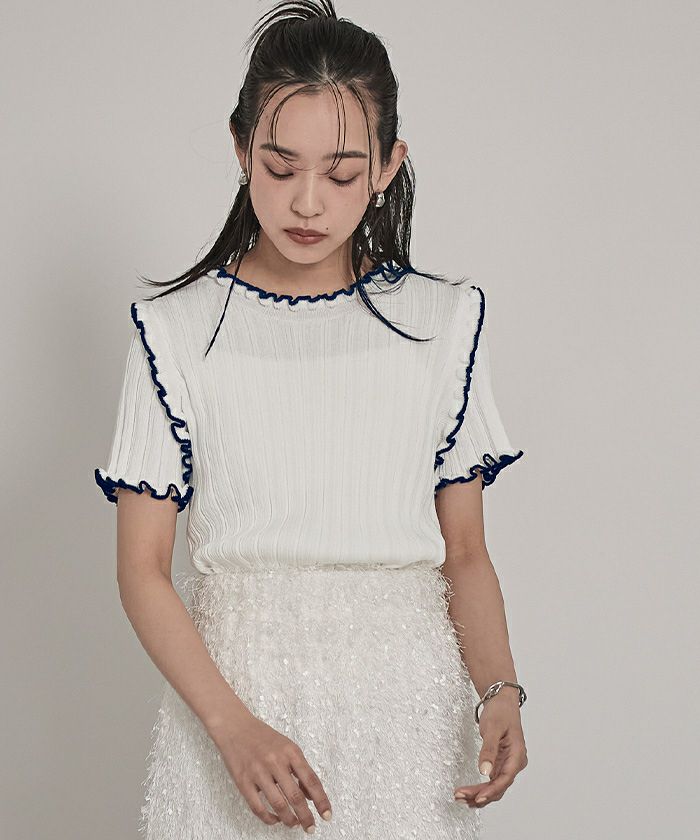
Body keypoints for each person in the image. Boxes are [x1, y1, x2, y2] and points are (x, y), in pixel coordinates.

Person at [93, 2, 529, 837]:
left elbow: (466, 551)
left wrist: (499, 691)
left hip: (403, 713)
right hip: (233, 708)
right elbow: (142, 569)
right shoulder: (174, 331)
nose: (306, 202)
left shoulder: (443, 323)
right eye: (279, 165)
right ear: (240, 150)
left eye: (340, 174)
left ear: (389, 165)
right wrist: (232, 727)